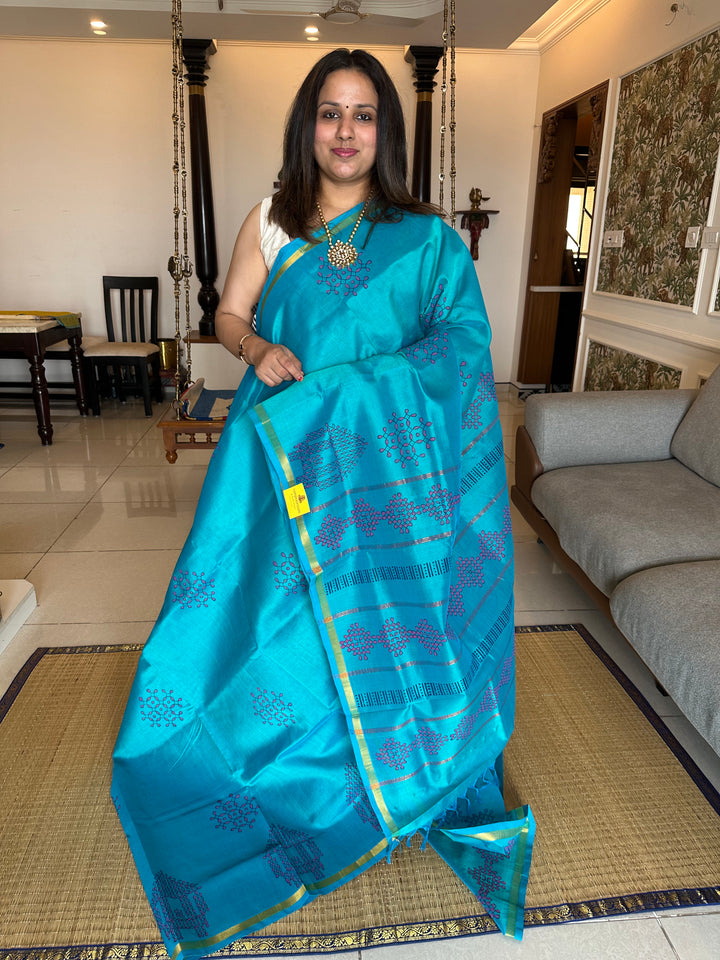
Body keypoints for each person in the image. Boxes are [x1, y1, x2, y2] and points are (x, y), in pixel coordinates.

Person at [112, 48, 534, 960]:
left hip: (390, 481)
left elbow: (462, 345)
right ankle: (302, 790)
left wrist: (364, 391)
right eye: (330, 113)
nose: (346, 131)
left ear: (386, 131)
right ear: (309, 125)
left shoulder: (424, 240)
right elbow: (226, 317)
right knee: (281, 623)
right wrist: (255, 347)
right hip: (290, 459)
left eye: (365, 115)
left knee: (391, 621)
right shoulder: (273, 220)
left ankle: (402, 785)